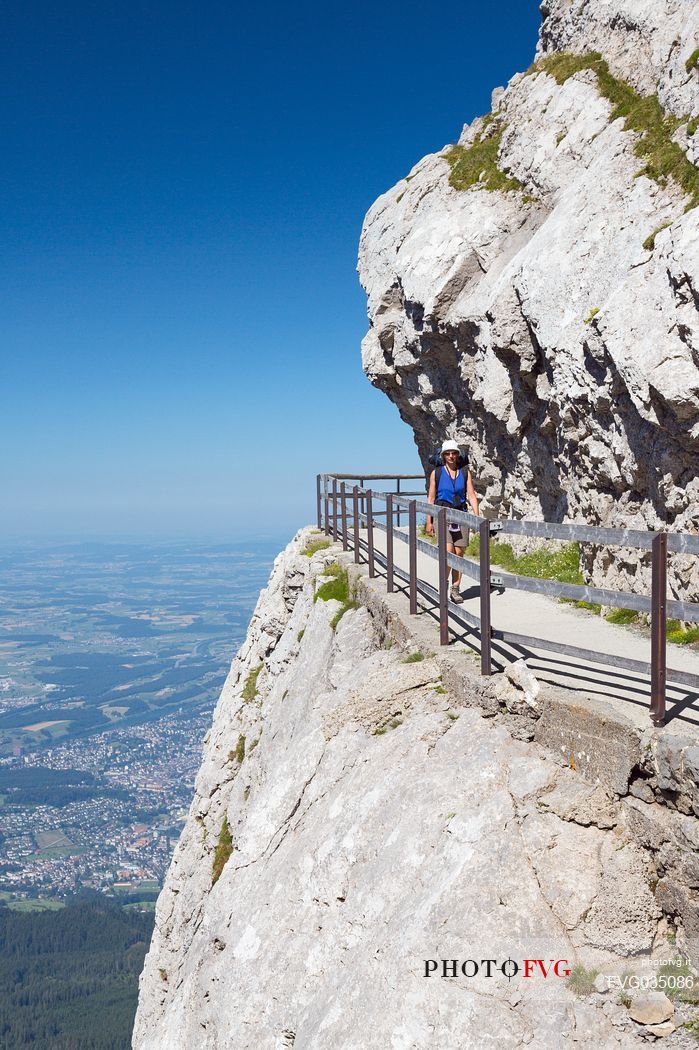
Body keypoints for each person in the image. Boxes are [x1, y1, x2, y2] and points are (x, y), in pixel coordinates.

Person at [426, 439, 480, 603]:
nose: (451, 456)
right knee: (448, 552)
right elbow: (431, 498)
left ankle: (455, 589)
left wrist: (476, 516)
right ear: (443, 456)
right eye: (447, 453)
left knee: (459, 553)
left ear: (458, 455)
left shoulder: (465, 473)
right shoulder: (437, 473)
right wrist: (429, 521)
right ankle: (444, 584)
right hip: (443, 514)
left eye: (454, 453)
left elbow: (471, 495)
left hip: (461, 515)